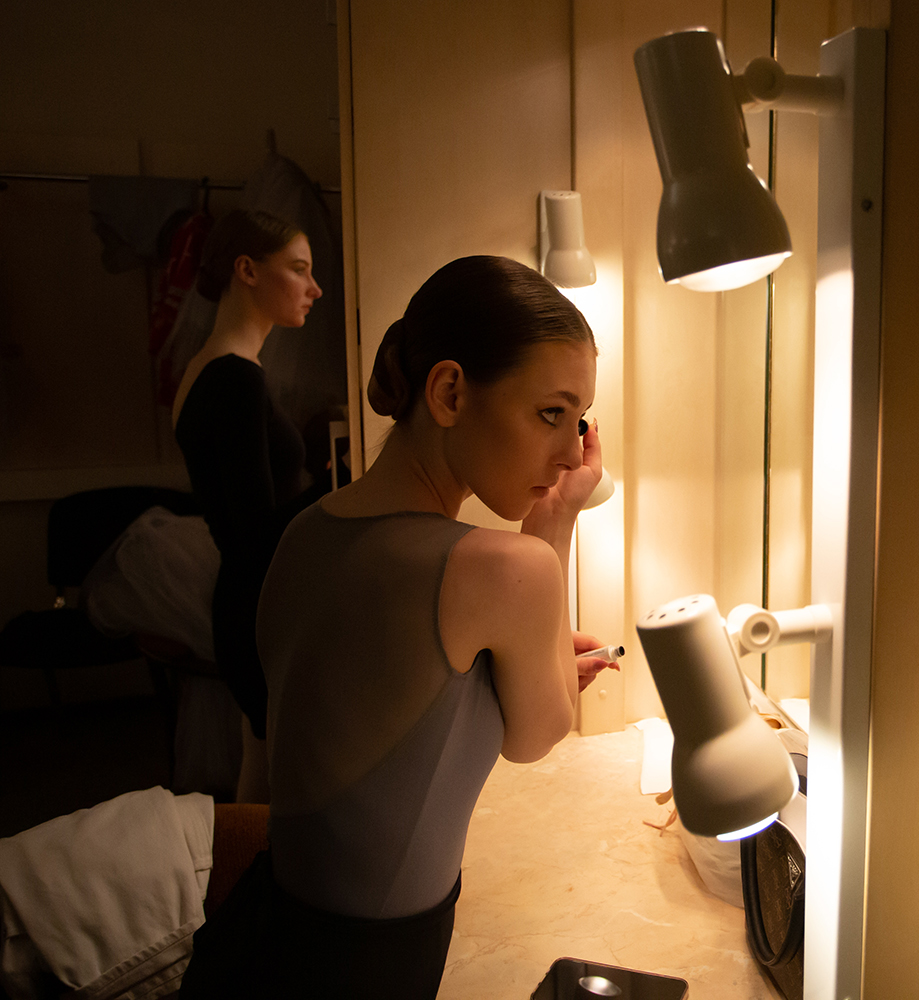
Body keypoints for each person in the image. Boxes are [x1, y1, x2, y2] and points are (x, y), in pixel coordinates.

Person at [179, 256, 613, 999]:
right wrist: (555, 518)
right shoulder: (505, 570)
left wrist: (511, 672)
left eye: (579, 422)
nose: (574, 451)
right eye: (551, 414)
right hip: (363, 972)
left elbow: (381, 700)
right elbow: (537, 735)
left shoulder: (303, 533)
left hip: (258, 938)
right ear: (449, 393)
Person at [173, 209, 323, 803]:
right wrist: (341, 489)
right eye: (299, 269)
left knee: (260, 779)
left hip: (248, 602)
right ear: (247, 270)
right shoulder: (234, 379)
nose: (315, 288)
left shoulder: (213, 368)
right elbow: (257, 533)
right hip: (257, 606)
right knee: (272, 789)